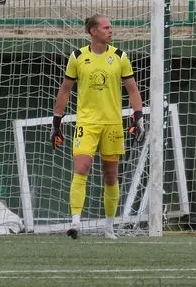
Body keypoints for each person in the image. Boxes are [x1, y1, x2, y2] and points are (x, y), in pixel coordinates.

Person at [51, 14, 145, 240]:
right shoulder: (77, 57)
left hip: (112, 124)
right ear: (93, 31)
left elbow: (132, 89)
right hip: (87, 123)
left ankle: (109, 226)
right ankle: (75, 222)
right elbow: (65, 90)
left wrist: (138, 117)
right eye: (106, 27)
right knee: (81, 167)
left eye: (111, 27)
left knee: (111, 176)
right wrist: (57, 121)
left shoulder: (120, 57)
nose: (110, 30)